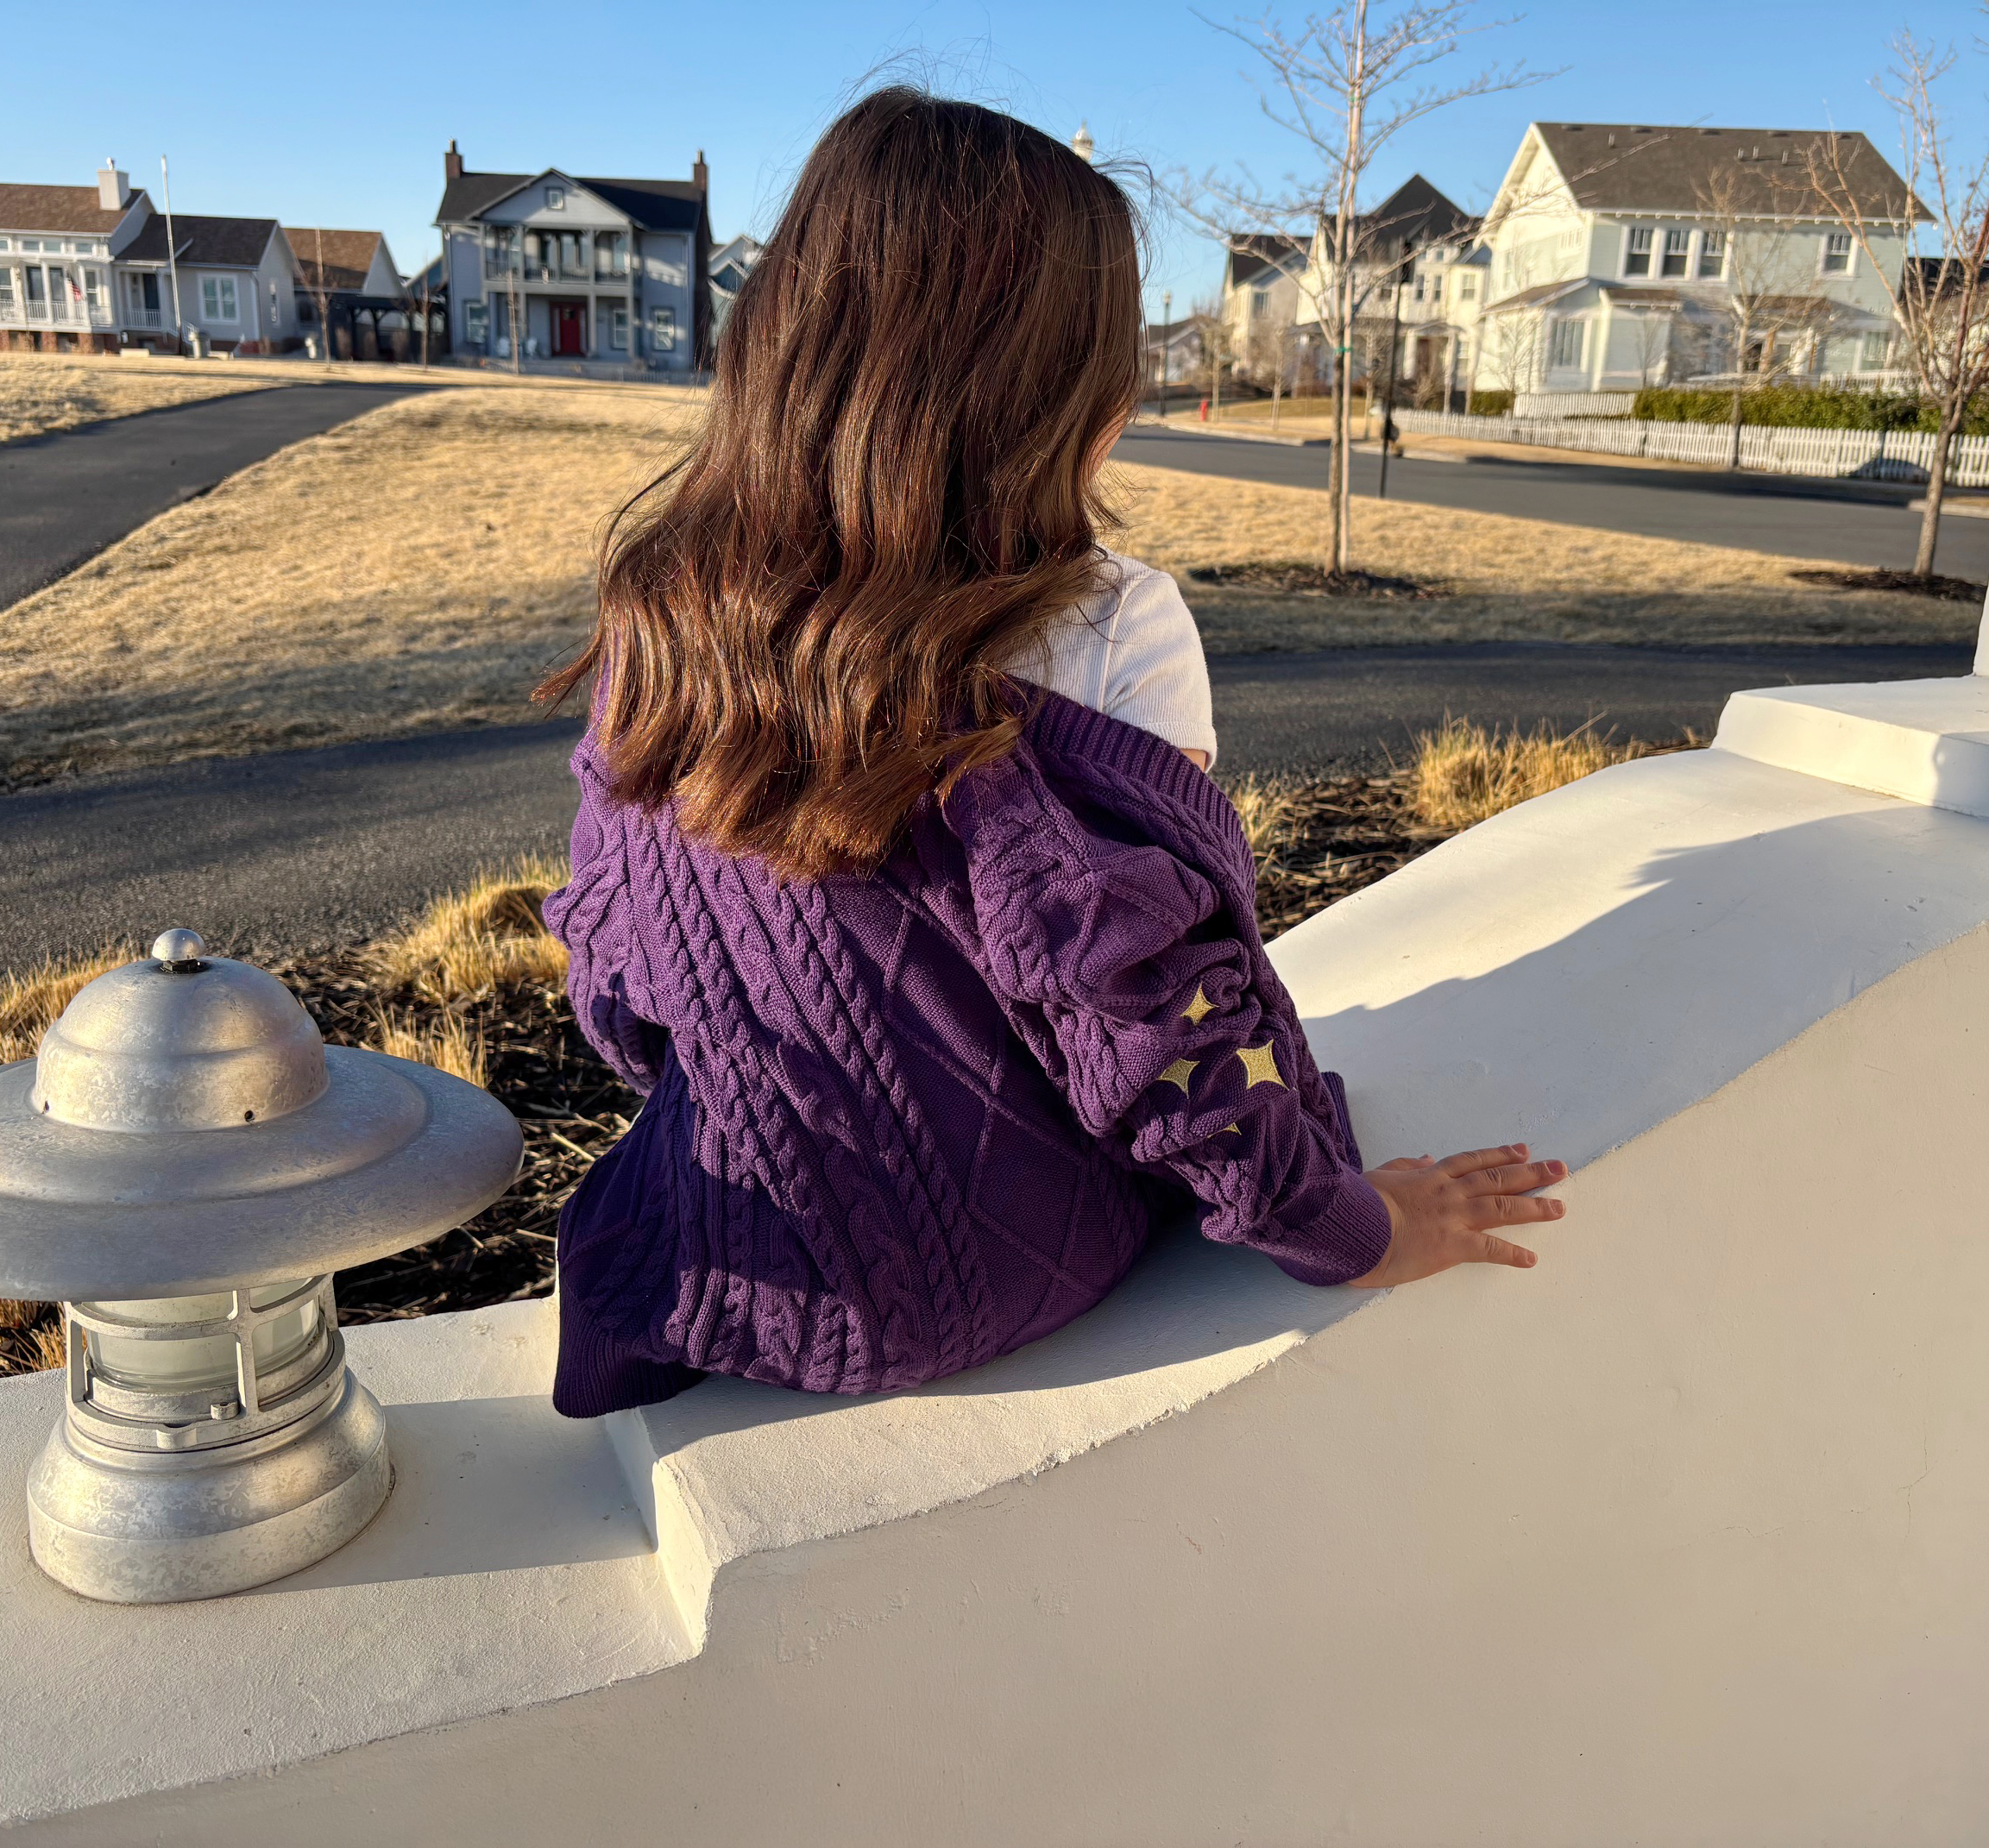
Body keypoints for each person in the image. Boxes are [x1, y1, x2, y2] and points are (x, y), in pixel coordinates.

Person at [537, 88, 1564, 1415]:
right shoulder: (1113, 623)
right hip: (1008, 1267)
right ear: (1054, 395)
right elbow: (1169, 1017)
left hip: (748, 1269)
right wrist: (1355, 1228)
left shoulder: (663, 628)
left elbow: (617, 985)